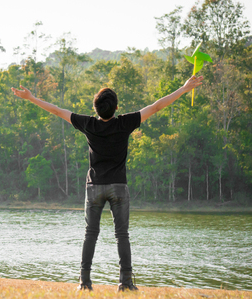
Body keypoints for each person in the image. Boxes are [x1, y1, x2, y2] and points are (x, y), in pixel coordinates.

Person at [11, 75, 204, 292]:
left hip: (94, 187)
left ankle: (84, 283)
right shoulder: (124, 123)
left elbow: (57, 110)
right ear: (116, 107)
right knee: (122, 235)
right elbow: (157, 106)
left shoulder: (89, 124)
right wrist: (184, 88)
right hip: (118, 187)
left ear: (96, 108)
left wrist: (31, 97)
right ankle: (126, 283)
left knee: (90, 234)